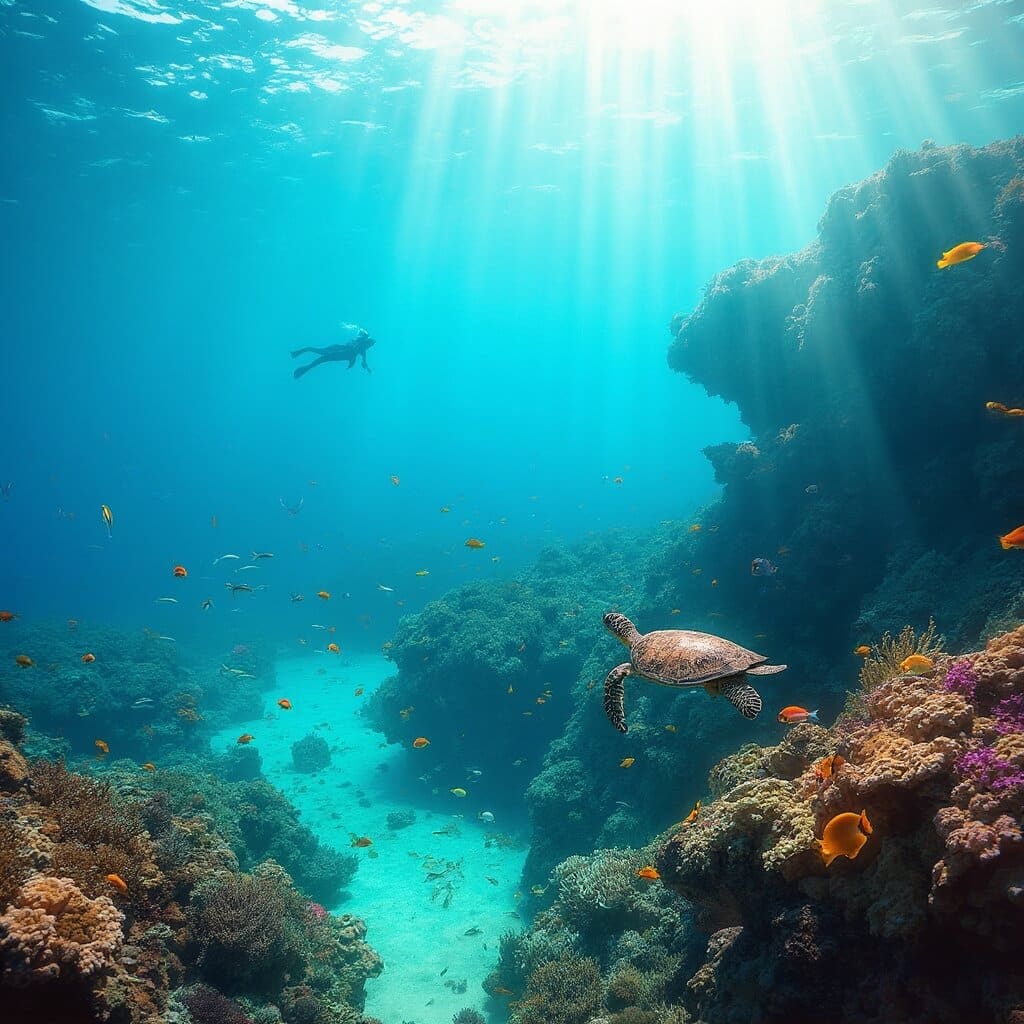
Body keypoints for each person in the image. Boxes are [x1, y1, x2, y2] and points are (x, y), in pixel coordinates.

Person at [291, 329, 375, 380]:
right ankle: (300, 356)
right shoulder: (361, 346)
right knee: (320, 357)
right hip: (338, 351)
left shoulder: (362, 349)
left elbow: (363, 361)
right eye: (370, 344)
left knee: (319, 356)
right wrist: (362, 365)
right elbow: (359, 359)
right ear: (367, 341)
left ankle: (298, 354)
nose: (370, 346)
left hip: (338, 351)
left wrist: (367, 367)